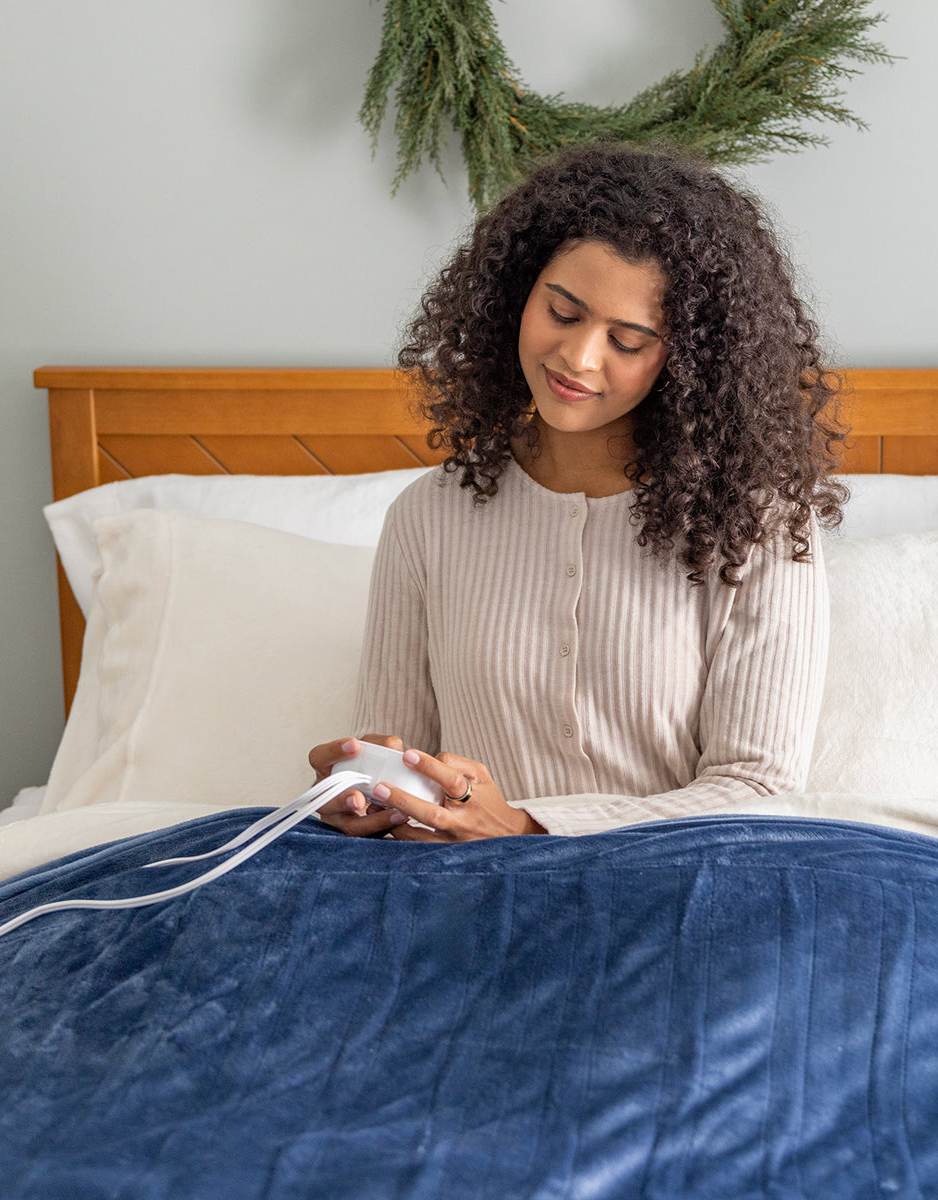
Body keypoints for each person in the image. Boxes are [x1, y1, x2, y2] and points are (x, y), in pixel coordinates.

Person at [310, 142, 846, 843]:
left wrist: (530, 827)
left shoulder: (758, 526)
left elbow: (758, 786)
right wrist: (365, 789)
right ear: (515, 295)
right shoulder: (429, 515)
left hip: (671, 901)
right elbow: (401, 755)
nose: (578, 358)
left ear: (687, 361)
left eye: (627, 341)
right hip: (464, 900)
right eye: (563, 312)